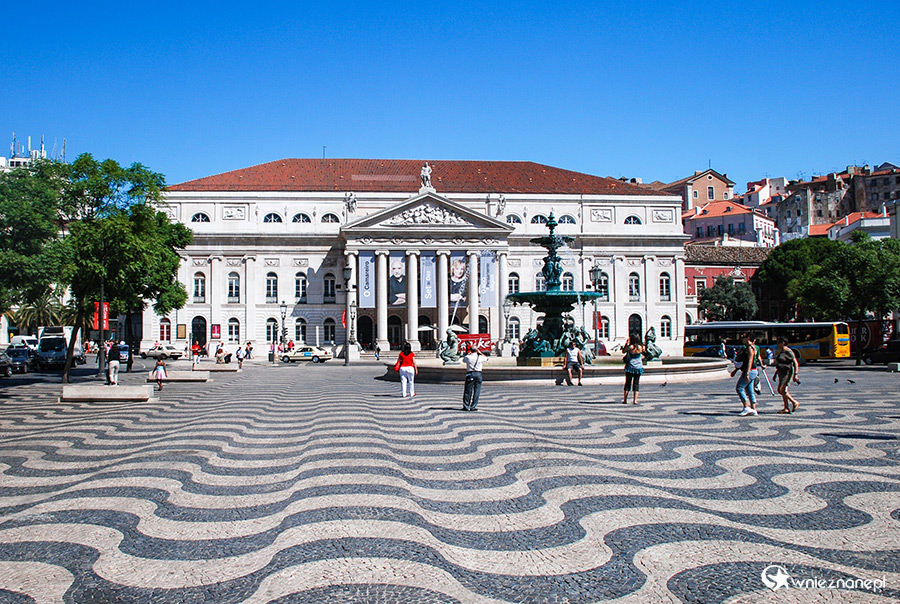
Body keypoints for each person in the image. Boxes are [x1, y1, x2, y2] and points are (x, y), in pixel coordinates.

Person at [731, 333, 760, 416]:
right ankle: (754, 409)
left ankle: (746, 407)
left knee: (739, 388)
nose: (742, 339)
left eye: (743, 337)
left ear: (748, 338)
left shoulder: (750, 348)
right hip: (753, 371)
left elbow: (750, 361)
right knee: (749, 390)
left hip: (749, 371)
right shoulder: (753, 347)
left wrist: (747, 373)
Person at [774, 338, 801, 413]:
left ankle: (794, 402)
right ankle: (786, 408)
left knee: (781, 390)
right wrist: (775, 374)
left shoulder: (789, 351)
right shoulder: (781, 351)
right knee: (783, 390)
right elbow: (780, 363)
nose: (778, 344)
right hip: (781, 372)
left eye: (779, 342)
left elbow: (795, 363)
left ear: (784, 343)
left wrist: (796, 374)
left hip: (787, 372)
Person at [462, 343, 485, 411]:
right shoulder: (480, 357)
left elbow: (463, 360)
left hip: (470, 374)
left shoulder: (468, 357)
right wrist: (480, 353)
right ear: (477, 350)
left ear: (470, 350)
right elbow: (487, 358)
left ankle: (466, 405)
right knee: (477, 391)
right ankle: (473, 406)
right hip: (478, 374)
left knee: (468, 390)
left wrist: (469, 353)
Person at [622, 333, 644, 405]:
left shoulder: (630, 347)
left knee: (628, 383)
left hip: (630, 366)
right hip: (638, 367)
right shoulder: (641, 347)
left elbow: (623, 351)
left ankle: (625, 399)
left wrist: (626, 343)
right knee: (636, 384)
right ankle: (635, 400)